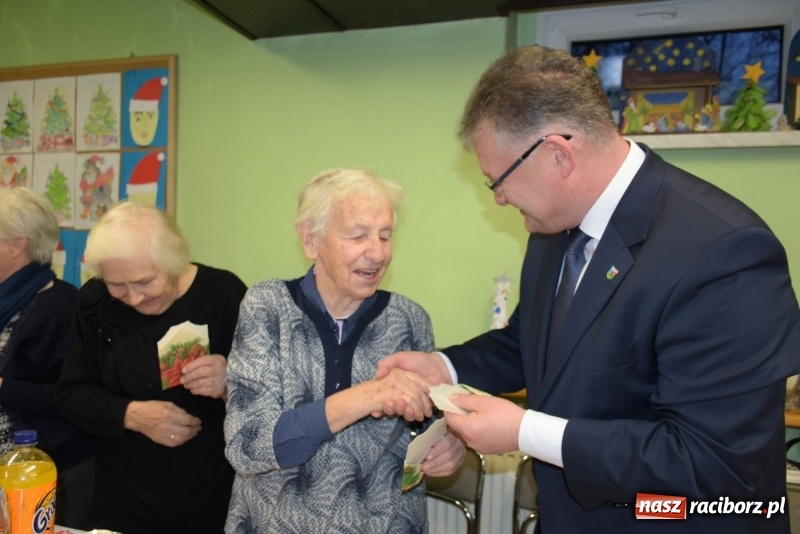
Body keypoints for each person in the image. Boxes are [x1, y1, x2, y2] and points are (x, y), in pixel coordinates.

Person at [377, 45, 800, 532]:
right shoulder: (554, 227)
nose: (498, 199)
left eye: (499, 181)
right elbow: (533, 343)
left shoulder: (724, 253)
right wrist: (443, 365)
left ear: (557, 155)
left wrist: (525, 432)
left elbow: (714, 467)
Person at [224, 168, 465, 534]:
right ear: (310, 240)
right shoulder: (267, 307)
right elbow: (248, 447)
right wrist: (368, 395)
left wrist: (448, 445)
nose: (378, 252)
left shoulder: (409, 320)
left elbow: (426, 427)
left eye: (385, 236)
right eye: (358, 236)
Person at [55, 201, 247, 534]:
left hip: (214, 498)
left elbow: (273, 400)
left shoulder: (224, 295)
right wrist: (132, 415)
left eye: (145, 282)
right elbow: (72, 393)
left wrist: (231, 382)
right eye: (118, 285)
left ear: (173, 262)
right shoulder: (95, 301)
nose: (133, 298)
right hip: (124, 501)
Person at [0, 187, 94, 529]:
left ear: (17, 245)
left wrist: (3, 387)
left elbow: (76, 399)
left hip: (48, 471)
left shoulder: (62, 305)